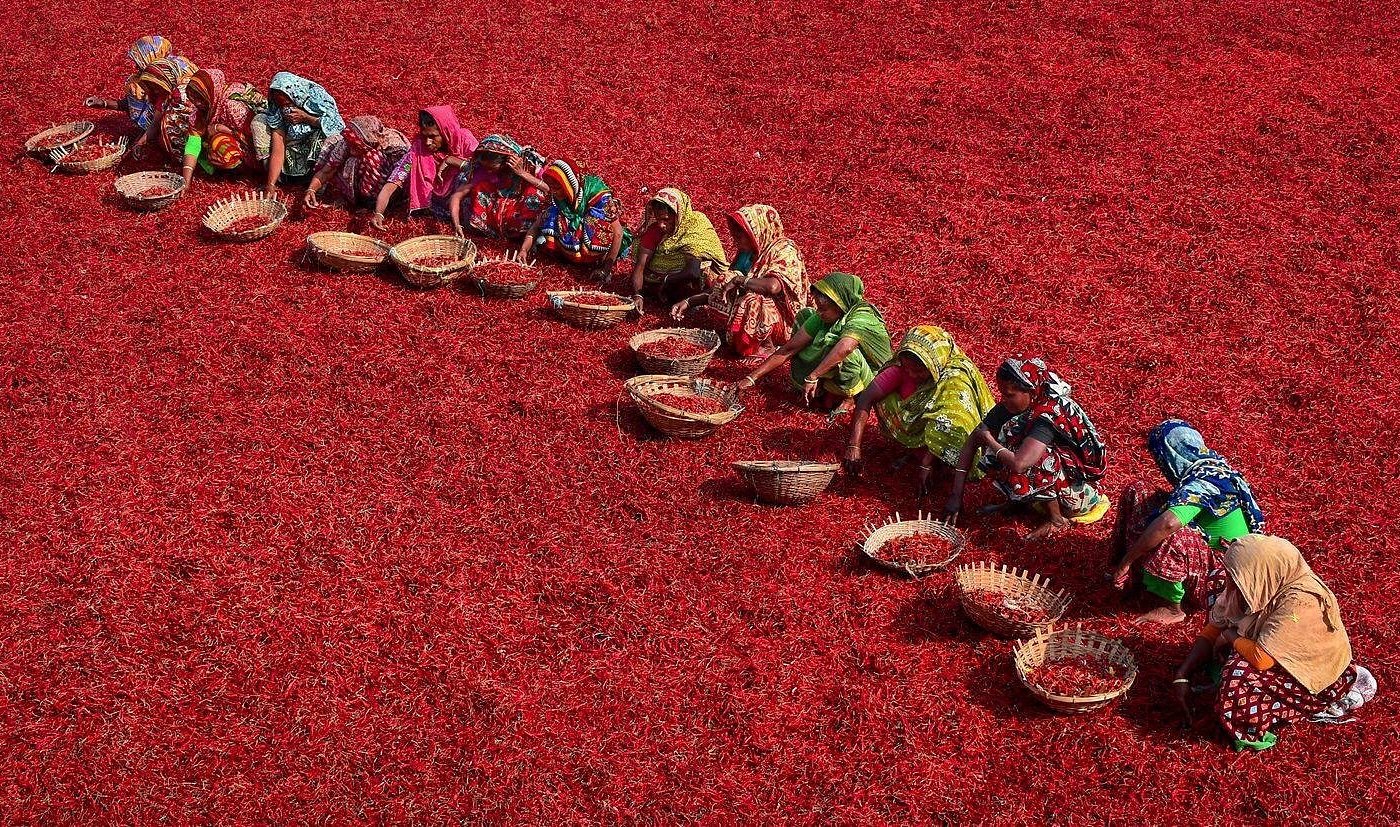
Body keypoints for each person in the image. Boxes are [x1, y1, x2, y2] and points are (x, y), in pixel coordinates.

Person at [1172, 535, 1376, 751]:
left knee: (1239, 678)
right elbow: (1215, 625)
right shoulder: (1260, 584)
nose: (1232, 583)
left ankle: (1256, 727)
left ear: (1262, 573)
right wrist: (1182, 674)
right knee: (1218, 583)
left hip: (1307, 676)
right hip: (1263, 645)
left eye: (1237, 578)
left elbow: (1262, 659)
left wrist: (1229, 636)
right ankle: (1221, 670)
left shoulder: (1300, 602)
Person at [1109, 419, 1267, 624]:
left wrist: (1127, 561)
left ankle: (1172, 608)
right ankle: (1131, 573)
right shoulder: (1211, 468)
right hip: (1216, 558)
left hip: (1225, 580)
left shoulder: (1204, 481)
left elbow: (1168, 524)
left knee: (1170, 535)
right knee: (1138, 490)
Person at [944, 358, 1108, 540]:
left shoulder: (1047, 415)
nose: (1003, 400)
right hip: (1058, 483)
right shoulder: (1010, 407)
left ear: (1030, 391)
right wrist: (956, 495)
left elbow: (1020, 464)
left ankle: (1056, 520)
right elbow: (973, 441)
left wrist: (990, 440)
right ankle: (1018, 502)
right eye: (1002, 394)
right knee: (1001, 444)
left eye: (1009, 395)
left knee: (1031, 456)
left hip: (1077, 493)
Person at [843, 326, 995, 498]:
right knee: (884, 398)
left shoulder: (954, 378)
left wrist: (927, 463)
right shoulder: (903, 368)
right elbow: (866, 397)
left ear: (934, 364)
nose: (912, 375)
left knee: (951, 417)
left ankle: (942, 463)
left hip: (955, 439)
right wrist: (854, 445)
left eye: (919, 371)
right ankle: (915, 451)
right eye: (907, 368)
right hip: (920, 430)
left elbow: (947, 424)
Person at [737, 272, 891, 413]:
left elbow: (846, 348)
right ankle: (825, 391)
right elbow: (789, 349)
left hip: (875, 379)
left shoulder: (862, 316)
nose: (819, 312)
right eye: (819, 307)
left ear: (840, 305)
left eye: (823, 309)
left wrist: (813, 376)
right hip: (841, 367)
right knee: (805, 316)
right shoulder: (826, 316)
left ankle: (850, 398)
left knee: (840, 349)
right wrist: (751, 378)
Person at [671, 204, 808, 359]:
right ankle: (743, 339)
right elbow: (724, 285)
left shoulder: (785, 249)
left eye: (740, 233)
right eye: (734, 232)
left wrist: (739, 280)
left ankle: (767, 346)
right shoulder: (747, 253)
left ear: (756, 231)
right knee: (724, 278)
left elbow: (772, 286)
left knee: (753, 299)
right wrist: (689, 302)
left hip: (787, 321)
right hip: (762, 314)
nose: (734, 237)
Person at [520, 158, 630, 278]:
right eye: (552, 187)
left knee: (592, 222)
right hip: (574, 246)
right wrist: (524, 250)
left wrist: (606, 269)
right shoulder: (558, 199)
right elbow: (536, 226)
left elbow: (618, 233)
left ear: (569, 184)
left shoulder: (597, 194)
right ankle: (569, 256)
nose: (554, 192)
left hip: (598, 250)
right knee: (552, 214)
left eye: (558, 188)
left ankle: (596, 259)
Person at [370, 107, 476, 229]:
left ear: (445, 131)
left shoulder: (464, 140)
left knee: (466, 176)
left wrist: (451, 160)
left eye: (433, 136)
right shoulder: (418, 151)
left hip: (462, 198)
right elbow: (395, 180)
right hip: (436, 205)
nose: (427, 142)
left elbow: (482, 169)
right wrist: (379, 213)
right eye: (424, 136)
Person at [628, 188, 729, 307]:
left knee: (703, 273)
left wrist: (666, 280)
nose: (661, 225)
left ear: (678, 215)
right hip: (661, 282)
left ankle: (691, 302)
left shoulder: (695, 227)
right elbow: (640, 266)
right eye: (658, 218)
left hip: (691, 284)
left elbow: (693, 272)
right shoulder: (654, 230)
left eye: (666, 219)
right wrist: (638, 295)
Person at [164, 68, 266, 186]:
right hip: (240, 141)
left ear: (212, 92)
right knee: (196, 138)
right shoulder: (200, 113)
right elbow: (193, 145)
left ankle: (248, 171)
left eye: (200, 98)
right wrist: (186, 181)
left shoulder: (233, 107)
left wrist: (220, 128)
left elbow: (256, 138)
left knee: (220, 145)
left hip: (259, 150)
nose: (197, 103)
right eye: (194, 98)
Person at [254, 72, 345, 196]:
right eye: (281, 105)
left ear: (295, 95)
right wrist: (271, 184)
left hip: (315, 151)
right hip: (292, 148)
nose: (285, 108)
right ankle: (283, 177)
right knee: (258, 121)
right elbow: (278, 144)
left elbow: (338, 127)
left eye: (288, 104)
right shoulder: (277, 107)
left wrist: (306, 118)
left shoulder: (316, 97)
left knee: (324, 137)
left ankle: (317, 183)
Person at [446, 134, 548, 239]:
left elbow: (548, 189)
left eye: (492, 167)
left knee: (533, 192)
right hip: (497, 212)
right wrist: (457, 225)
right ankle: (494, 231)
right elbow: (456, 196)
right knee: (479, 188)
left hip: (521, 210)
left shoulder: (529, 163)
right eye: (486, 167)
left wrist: (522, 173)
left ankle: (526, 234)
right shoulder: (483, 170)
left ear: (506, 162)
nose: (488, 171)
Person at [304, 117, 409, 211]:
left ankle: (370, 204)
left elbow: (403, 176)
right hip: (365, 185)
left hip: (392, 191)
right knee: (336, 143)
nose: (352, 150)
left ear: (371, 142)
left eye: (357, 146)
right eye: (351, 144)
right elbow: (327, 171)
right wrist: (311, 190)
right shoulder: (348, 142)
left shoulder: (395, 147)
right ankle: (354, 198)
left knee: (371, 157)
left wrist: (380, 210)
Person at [85, 35, 176, 131]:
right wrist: (104, 103)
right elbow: (131, 104)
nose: (136, 67)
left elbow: (157, 122)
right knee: (134, 85)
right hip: (155, 128)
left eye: (140, 62)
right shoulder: (140, 81)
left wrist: (139, 140)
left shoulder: (170, 80)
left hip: (173, 130)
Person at [127, 56, 198, 161]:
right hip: (186, 139)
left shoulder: (188, 88)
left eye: (156, 86)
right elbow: (155, 123)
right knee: (163, 129)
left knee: (169, 120)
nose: (155, 91)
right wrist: (140, 143)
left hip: (199, 134)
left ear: (166, 79)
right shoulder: (163, 97)